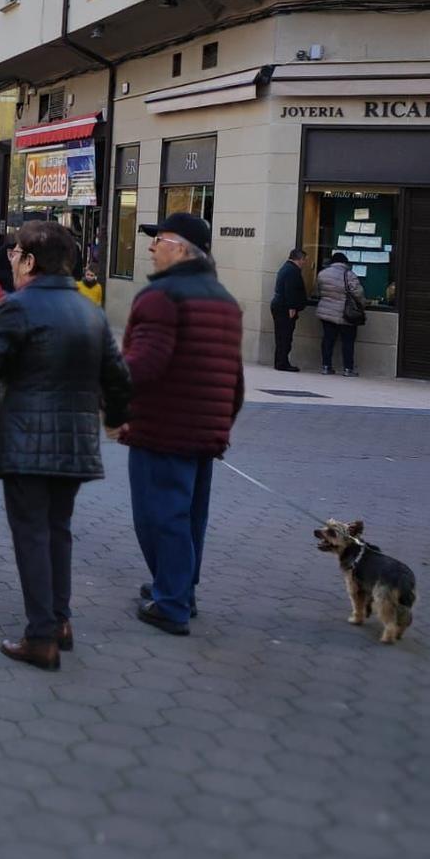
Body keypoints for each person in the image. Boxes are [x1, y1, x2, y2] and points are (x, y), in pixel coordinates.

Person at [0, 221, 133, 670]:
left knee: (32, 533)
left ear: (31, 260)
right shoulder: (89, 310)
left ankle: (41, 636)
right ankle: (60, 620)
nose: (10, 260)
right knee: (57, 530)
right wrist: (112, 419)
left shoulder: (18, 308)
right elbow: (118, 378)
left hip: (27, 442)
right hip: (75, 443)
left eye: (15, 253)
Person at [118, 212, 244, 636]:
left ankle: (170, 603)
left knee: (159, 517)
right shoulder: (224, 298)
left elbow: (143, 365)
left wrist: (112, 403)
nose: (152, 248)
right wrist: (220, 423)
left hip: (161, 427)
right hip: (203, 430)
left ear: (181, 248)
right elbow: (235, 376)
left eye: (159, 240)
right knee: (190, 518)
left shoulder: (161, 297)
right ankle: (179, 589)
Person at [314, 251, 365, 377]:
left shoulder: (322, 274)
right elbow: (358, 293)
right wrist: (362, 305)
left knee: (328, 340)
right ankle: (348, 369)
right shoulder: (349, 275)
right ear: (344, 262)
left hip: (326, 312)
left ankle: (326, 366)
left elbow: (317, 291)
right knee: (347, 342)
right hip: (345, 314)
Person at [270, 247, 310, 372]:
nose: (305, 263)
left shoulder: (286, 268)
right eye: (304, 260)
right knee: (285, 336)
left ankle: (280, 361)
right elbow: (290, 290)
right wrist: (292, 307)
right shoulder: (292, 271)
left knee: (281, 336)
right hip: (285, 307)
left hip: (280, 305)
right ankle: (282, 362)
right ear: (299, 259)